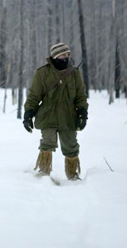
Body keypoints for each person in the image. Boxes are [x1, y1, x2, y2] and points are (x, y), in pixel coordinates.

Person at [23, 42, 88, 180]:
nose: (66, 57)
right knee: (47, 143)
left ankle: (72, 175)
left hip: (69, 116)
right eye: (62, 54)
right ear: (55, 56)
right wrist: (28, 114)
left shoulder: (74, 73)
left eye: (67, 54)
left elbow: (81, 96)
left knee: (71, 146)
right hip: (47, 116)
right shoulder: (42, 73)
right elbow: (34, 95)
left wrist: (83, 113)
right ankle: (44, 173)